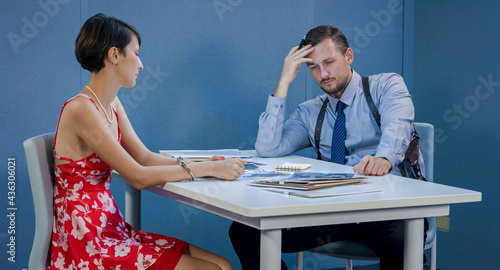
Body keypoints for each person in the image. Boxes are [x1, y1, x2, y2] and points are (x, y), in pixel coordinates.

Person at [50, 13, 245, 270]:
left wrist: (202, 162)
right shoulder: (81, 109)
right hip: (88, 240)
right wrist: (207, 169)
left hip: (110, 227)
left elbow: (144, 157)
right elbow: (138, 177)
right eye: (136, 53)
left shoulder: (112, 104)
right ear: (114, 55)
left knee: (223, 265)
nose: (141, 65)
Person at [229, 25, 423, 270]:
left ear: (348, 56)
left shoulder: (385, 86)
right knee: (245, 230)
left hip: (387, 209)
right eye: (313, 67)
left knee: (402, 242)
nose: (323, 73)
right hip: (334, 211)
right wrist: (285, 80)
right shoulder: (310, 112)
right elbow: (268, 148)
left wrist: (383, 159)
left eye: (329, 62)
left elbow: (398, 128)